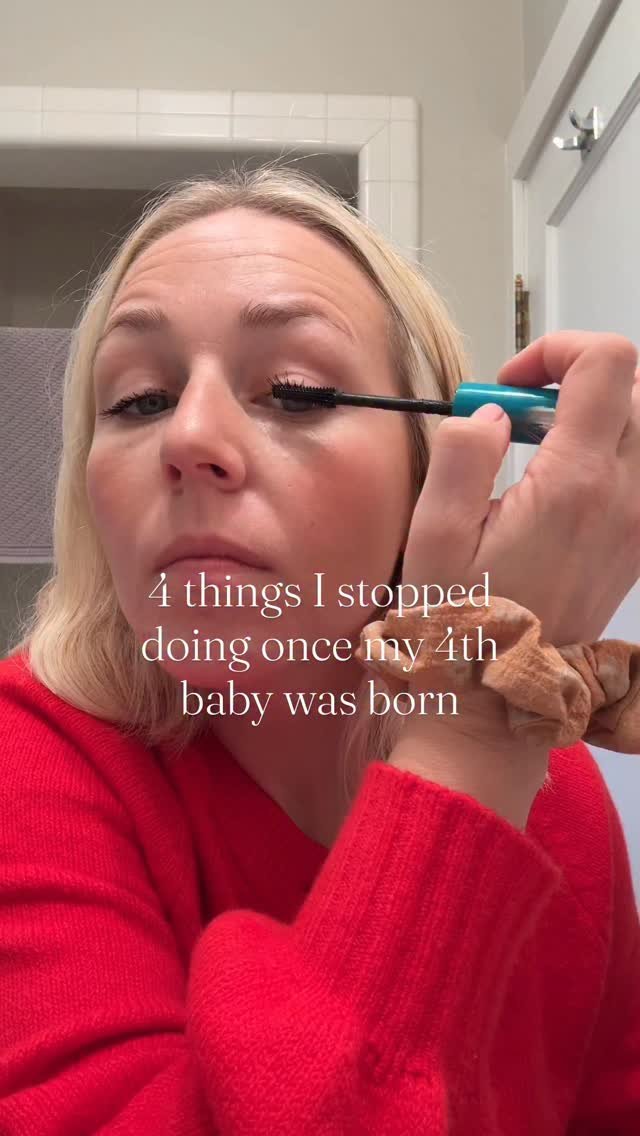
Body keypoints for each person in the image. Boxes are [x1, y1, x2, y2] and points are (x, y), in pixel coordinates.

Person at [1, 163, 638, 1133]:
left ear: (430, 474)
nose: (189, 437)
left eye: (295, 391)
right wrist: (472, 724)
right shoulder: (27, 760)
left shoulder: (555, 794)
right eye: (137, 400)